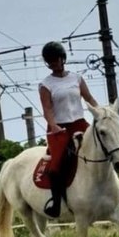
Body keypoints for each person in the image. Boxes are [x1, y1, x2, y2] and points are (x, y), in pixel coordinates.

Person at [38, 41, 100, 217]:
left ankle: (117, 191)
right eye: (49, 61)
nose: (53, 64)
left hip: (80, 123)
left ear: (62, 58)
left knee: (104, 147)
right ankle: (56, 203)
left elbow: (88, 98)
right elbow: (47, 109)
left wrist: (101, 112)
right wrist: (54, 125)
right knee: (56, 164)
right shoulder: (45, 85)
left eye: (55, 59)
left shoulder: (76, 78)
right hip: (60, 128)